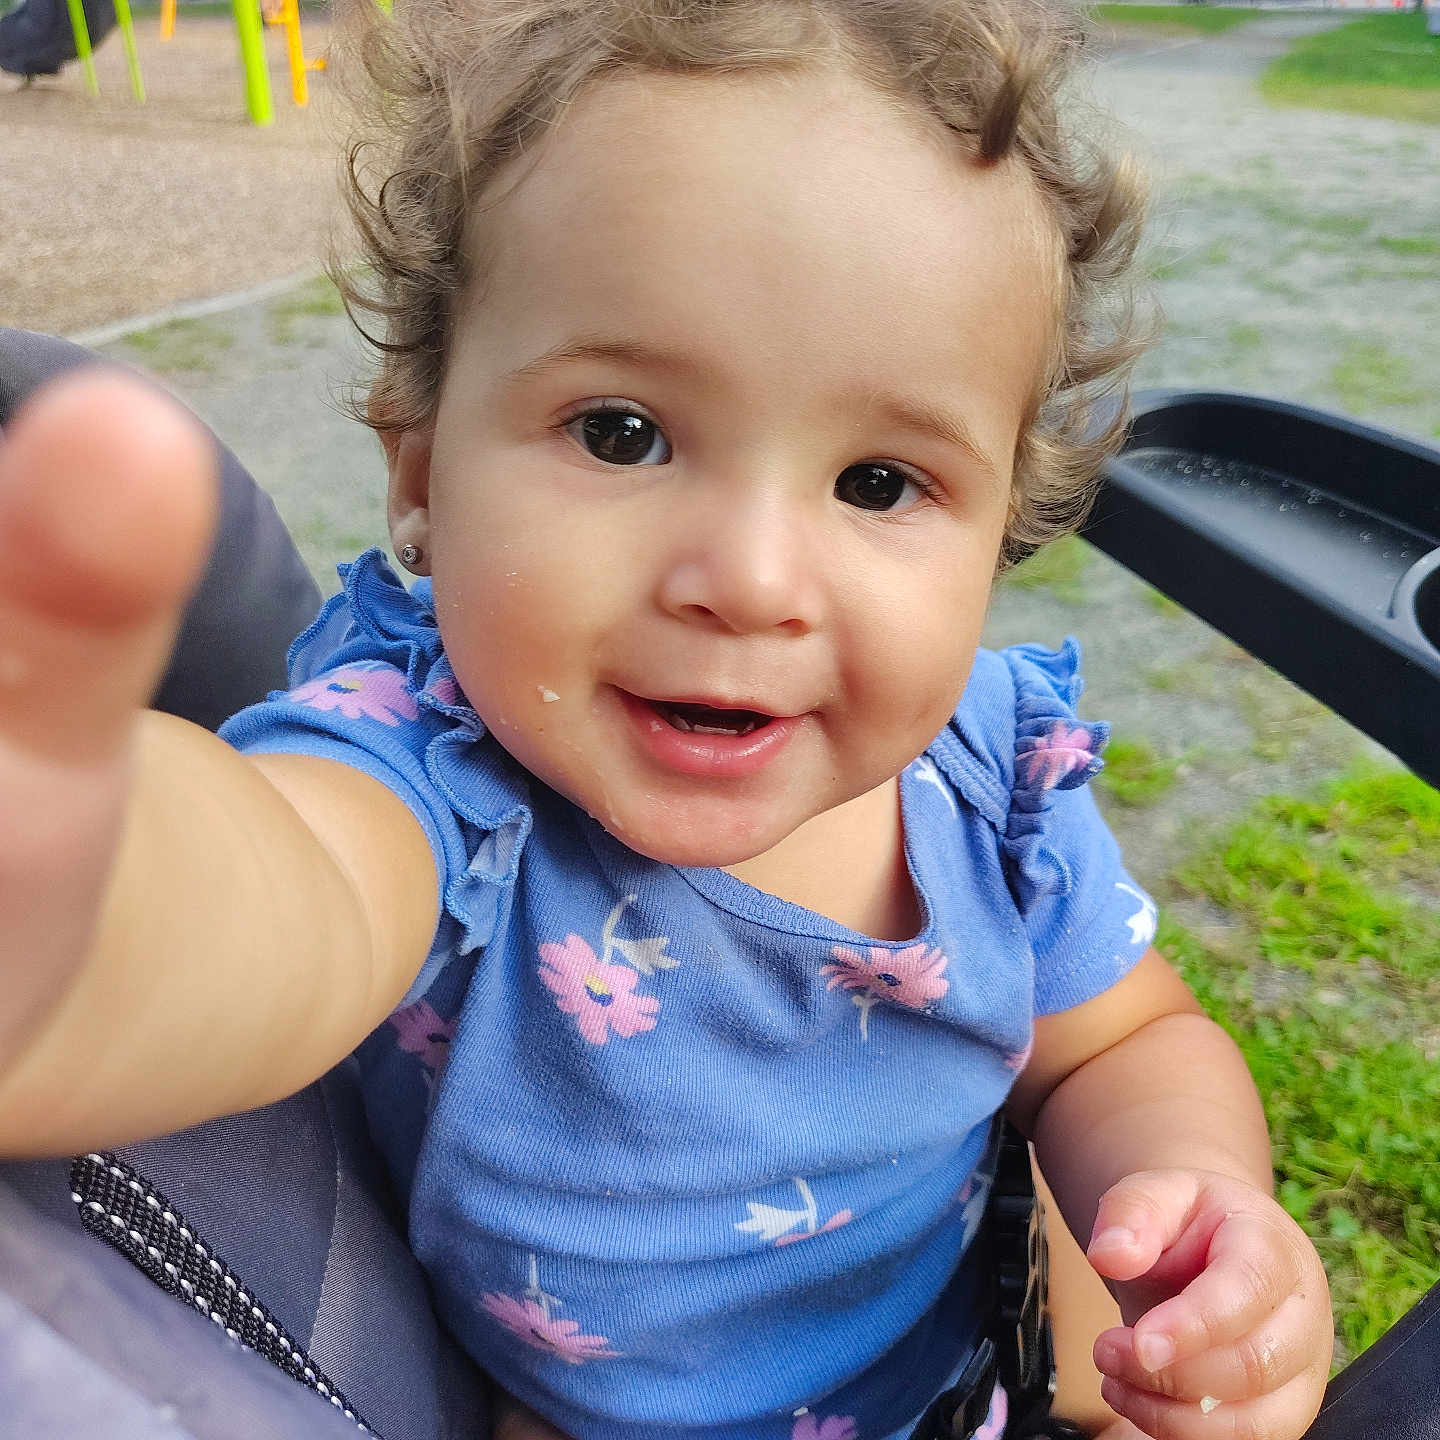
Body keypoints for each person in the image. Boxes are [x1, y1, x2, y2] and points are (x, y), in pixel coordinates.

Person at [0, 1, 1334, 1437]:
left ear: (1005, 522)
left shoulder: (990, 789)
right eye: (622, 432)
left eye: (879, 483)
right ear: (422, 471)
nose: (751, 581)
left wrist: (1195, 1205)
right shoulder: (438, 767)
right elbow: (287, 896)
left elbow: (1120, 1044)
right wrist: (89, 900)